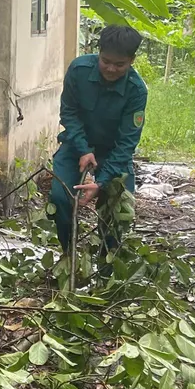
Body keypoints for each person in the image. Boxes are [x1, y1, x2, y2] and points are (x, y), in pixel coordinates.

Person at [50, 24, 148, 252]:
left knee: (117, 212)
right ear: (98, 52)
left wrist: (101, 182)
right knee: (60, 198)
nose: (111, 69)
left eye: (119, 64)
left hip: (114, 154)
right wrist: (83, 149)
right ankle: (68, 255)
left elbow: (127, 143)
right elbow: (69, 113)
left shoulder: (136, 91)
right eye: (106, 61)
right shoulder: (78, 70)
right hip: (76, 146)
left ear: (131, 60)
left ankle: (107, 269)